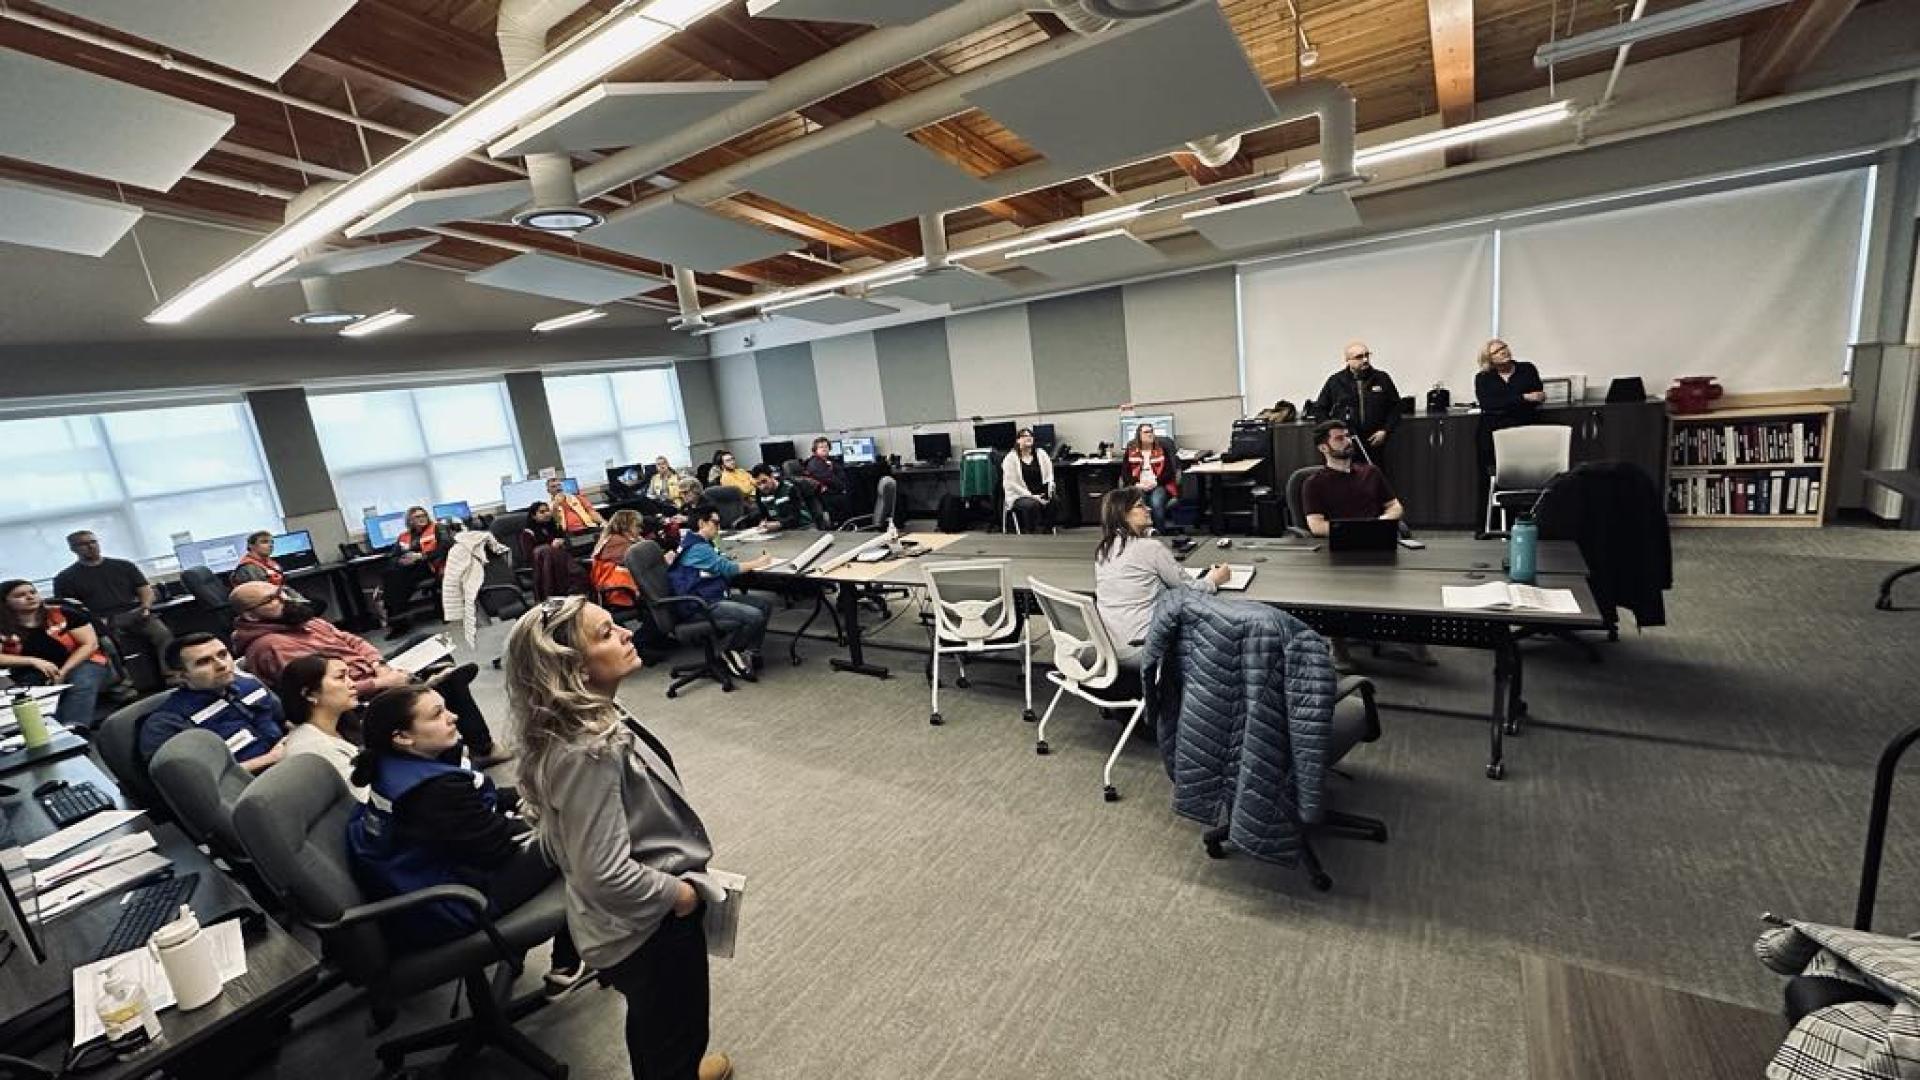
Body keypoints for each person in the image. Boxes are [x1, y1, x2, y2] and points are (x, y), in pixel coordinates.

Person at [503, 596, 733, 1080]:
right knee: (678, 1030)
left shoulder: (583, 721)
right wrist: (682, 896)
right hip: (646, 924)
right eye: (606, 634)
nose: (627, 632)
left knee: (658, 1026)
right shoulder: (587, 750)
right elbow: (603, 872)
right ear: (573, 670)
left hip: (628, 919)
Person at [345, 685, 584, 991]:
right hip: (458, 902)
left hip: (431, 886)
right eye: (437, 714)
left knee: (560, 814)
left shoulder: (394, 766)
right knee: (579, 827)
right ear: (403, 737)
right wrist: (541, 814)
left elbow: (476, 803)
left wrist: (523, 798)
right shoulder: (431, 793)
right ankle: (571, 955)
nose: (453, 716)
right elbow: (496, 848)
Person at [228, 580, 505, 764]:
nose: (283, 599)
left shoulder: (300, 620)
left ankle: (432, 682)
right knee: (448, 684)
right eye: (271, 600)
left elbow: (351, 639)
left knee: (426, 642)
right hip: (357, 697)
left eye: (281, 592)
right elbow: (323, 691)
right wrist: (380, 682)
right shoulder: (269, 646)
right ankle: (481, 747)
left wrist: (377, 663)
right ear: (251, 616)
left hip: (371, 672)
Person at [1093, 489, 1227, 665]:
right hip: (1141, 649)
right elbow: (1189, 589)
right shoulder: (1150, 548)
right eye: (1140, 506)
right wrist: (1214, 580)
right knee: (1212, 626)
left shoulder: (1103, 550)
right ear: (1123, 515)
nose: (1148, 508)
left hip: (1106, 648)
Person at [137, 633, 286, 770]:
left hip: (289, 762)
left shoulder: (249, 684)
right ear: (181, 676)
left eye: (223, 654)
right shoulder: (167, 723)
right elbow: (199, 783)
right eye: (204, 662)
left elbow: (285, 721)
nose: (222, 665)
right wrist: (270, 759)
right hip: (248, 789)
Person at [670, 504, 776, 677]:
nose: (719, 527)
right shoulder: (698, 548)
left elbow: (717, 562)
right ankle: (729, 651)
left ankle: (749, 653)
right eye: (715, 523)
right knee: (755, 615)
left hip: (711, 594)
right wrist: (759, 563)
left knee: (764, 605)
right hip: (701, 604)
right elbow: (727, 569)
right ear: (701, 523)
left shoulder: (697, 542)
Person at [53, 530, 171, 682]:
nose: (90, 546)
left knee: (163, 634)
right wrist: (94, 623)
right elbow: (69, 609)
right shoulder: (65, 578)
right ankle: (125, 684)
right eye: (83, 544)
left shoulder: (124, 566)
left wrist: (146, 607)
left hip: (135, 613)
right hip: (101, 621)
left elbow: (145, 590)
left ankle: (170, 675)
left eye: (93, 542)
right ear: (73, 549)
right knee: (108, 646)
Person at [0, 579, 114, 733]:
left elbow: (90, 644)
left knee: (82, 681)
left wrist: (64, 671)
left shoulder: (63, 613)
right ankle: (45, 731)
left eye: (32, 592)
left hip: (83, 661)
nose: (30, 597)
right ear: (5, 602)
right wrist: (33, 661)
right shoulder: (3, 626)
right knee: (27, 695)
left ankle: (72, 730)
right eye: (20, 595)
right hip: (32, 671)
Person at [275, 654, 366, 801]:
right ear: (310, 694)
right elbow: (362, 798)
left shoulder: (344, 723)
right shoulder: (313, 749)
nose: (352, 684)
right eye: (340, 677)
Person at [1299, 420, 1404, 538]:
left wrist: (1382, 521)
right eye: (1339, 438)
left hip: (1375, 538)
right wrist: (1356, 531)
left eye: (1348, 436)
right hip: (1340, 542)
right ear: (1323, 448)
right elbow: (1317, 526)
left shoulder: (1371, 472)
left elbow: (1395, 506)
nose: (1348, 441)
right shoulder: (1313, 483)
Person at [1474, 337, 1547, 482]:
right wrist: (1523, 398)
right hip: (1493, 431)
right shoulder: (1483, 378)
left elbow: (1537, 397)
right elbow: (1488, 404)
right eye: (1497, 351)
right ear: (1489, 359)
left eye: (1504, 347)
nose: (1503, 352)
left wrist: (1508, 401)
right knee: (1493, 476)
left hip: (1524, 426)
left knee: (1527, 474)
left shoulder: (1527, 369)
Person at [1314, 340, 1403, 458]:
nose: (1365, 360)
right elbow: (1320, 409)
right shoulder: (1335, 381)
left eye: (1367, 355)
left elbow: (1396, 407)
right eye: (1359, 357)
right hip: (1346, 442)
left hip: (1376, 440)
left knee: (1373, 474)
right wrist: (1333, 433)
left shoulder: (1382, 378)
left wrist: (1385, 430)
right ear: (1348, 360)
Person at [381, 506, 451, 636]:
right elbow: (393, 556)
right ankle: (397, 619)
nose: (422, 518)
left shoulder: (437, 528)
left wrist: (421, 556)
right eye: (417, 517)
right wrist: (401, 561)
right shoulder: (403, 536)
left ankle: (398, 621)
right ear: (410, 521)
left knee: (396, 579)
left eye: (423, 515)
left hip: (430, 565)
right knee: (390, 573)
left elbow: (445, 546)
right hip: (408, 568)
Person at [230, 531, 327, 616]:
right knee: (315, 606)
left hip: (281, 599)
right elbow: (263, 596)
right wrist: (294, 602)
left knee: (317, 603)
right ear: (251, 546)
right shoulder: (248, 567)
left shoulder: (269, 563)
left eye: (272, 542)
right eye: (264, 542)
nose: (270, 545)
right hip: (268, 607)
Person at [1122, 423, 1181, 533]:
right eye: (1146, 432)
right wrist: (1137, 484)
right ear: (1139, 435)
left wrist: (1155, 482)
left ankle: (1160, 533)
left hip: (1159, 485)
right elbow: (1125, 474)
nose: (1150, 434)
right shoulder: (1131, 451)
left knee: (1156, 502)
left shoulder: (1161, 450)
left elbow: (1169, 472)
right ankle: (1143, 533)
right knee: (1139, 504)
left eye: (1151, 431)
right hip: (1138, 485)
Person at [1001, 426, 1056, 533]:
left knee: (1055, 501)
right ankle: (1031, 533)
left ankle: (1047, 530)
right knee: (1032, 505)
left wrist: (1049, 488)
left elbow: (1050, 474)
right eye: (1024, 436)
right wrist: (1032, 496)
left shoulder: (1041, 454)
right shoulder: (1010, 459)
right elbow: (1012, 483)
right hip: (1019, 495)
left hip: (1040, 492)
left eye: (1030, 435)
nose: (1028, 438)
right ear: (1018, 440)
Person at [589, 510, 646, 612]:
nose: (640, 529)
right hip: (621, 591)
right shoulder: (618, 542)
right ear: (625, 526)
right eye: (637, 526)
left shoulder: (611, 538)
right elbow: (641, 562)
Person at [523, 502, 576, 602]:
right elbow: (529, 556)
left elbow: (567, 545)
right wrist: (551, 547)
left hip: (562, 562)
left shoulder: (553, 526)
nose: (547, 514)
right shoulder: (528, 533)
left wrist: (562, 542)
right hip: (543, 568)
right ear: (534, 516)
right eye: (542, 512)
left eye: (547, 510)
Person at [749, 465, 816, 532]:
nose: (762, 487)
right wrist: (763, 522)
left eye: (764, 481)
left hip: (802, 527)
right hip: (781, 530)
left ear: (772, 476)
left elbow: (796, 516)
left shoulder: (790, 488)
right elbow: (763, 514)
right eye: (758, 484)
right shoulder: (759, 493)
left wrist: (779, 524)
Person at [801, 438, 850, 523]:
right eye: (821, 447)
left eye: (826, 446)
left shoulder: (828, 461)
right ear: (815, 450)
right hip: (826, 497)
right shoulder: (815, 463)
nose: (824, 449)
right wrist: (842, 488)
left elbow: (841, 475)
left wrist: (832, 468)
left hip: (831, 493)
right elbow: (830, 479)